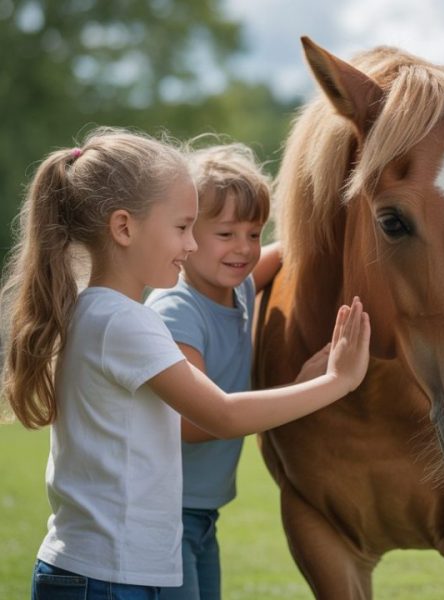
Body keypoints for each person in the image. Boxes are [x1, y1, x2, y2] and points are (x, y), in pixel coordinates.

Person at [0, 127, 370, 599]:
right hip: (107, 577)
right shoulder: (126, 323)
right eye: (181, 228)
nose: (191, 245)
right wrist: (337, 380)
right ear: (124, 228)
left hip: (111, 569)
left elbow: (280, 256)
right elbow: (220, 414)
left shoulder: (101, 312)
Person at [144, 141, 282, 600]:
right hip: (163, 516)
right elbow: (195, 421)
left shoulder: (237, 289)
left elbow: (284, 254)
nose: (244, 249)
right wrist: (308, 385)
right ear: (187, 234)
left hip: (202, 513)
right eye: (226, 234)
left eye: (254, 233)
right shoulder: (178, 309)